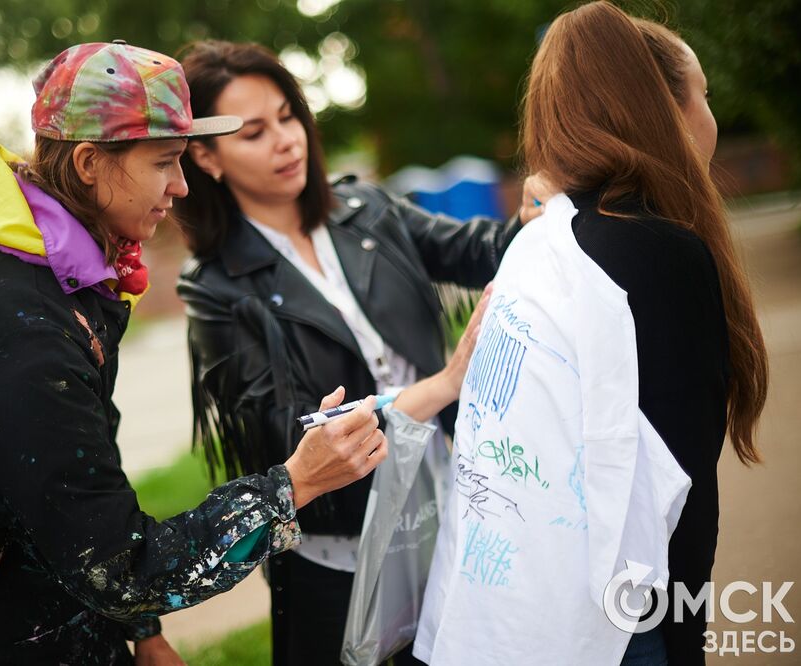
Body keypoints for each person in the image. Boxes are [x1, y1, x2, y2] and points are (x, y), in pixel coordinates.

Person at [0, 40, 389, 666]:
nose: (180, 185)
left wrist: (141, 630)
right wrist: (296, 482)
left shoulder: (31, 265)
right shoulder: (26, 328)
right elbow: (121, 565)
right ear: (90, 162)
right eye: (165, 162)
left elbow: (79, 492)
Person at [411, 3, 769, 665]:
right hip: (620, 628)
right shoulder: (660, 255)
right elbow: (683, 492)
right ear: (662, 109)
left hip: (515, 612)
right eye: (705, 96)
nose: (711, 116)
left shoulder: (537, 244)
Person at [173, 40, 547, 665]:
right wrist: (445, 384)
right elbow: (285, 434)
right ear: (206, 155)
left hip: (452, 512)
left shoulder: (367, 210)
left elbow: (481, 248)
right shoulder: (215, 287)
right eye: (255, 132)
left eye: (289, 116)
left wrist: (540, 214)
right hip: (340, 560)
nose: (287, 141)